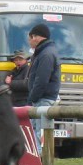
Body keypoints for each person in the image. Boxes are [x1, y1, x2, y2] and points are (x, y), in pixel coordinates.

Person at [26, 23, 61, 151]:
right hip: (41, 99)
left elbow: (41, 80)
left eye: (30, 38)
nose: (29, 42)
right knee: (37, 132)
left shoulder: (46, 54)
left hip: (43, 99)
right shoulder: (44, 52)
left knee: (40, 134)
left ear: (35, 37)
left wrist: (32, 99)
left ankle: (42, 163)